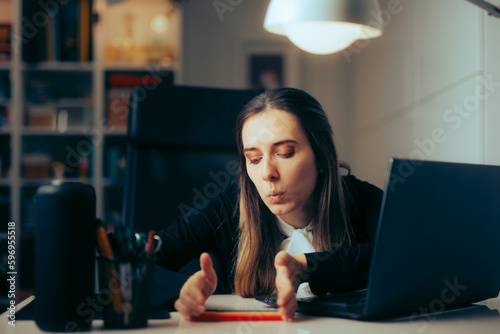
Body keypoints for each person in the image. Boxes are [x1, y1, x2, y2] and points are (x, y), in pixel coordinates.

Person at [155, 88, 383, 322]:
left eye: (285, 153)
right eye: (254, 159)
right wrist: (180, 289)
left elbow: (408, 250)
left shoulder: (360, 198)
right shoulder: (227, 209)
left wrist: (305, 266)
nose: (267, 173)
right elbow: (134, 265)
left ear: (321, 156)